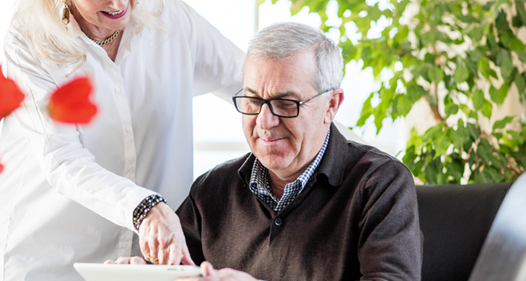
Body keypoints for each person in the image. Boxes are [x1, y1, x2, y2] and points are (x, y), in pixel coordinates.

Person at [0, 0, 245, 280]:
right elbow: (62, 159)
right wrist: (145, 207)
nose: (118, 2)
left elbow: (253, 85)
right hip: (42, 253)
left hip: (136, 261)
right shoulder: (31, 41)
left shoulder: (175, 23)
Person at [174, 22, 423, 280]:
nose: (264, 122)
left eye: (284, 103)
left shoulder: (380, 183)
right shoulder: (211, 190)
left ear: (331, 105)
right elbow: (169, 270)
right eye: (253, 101)